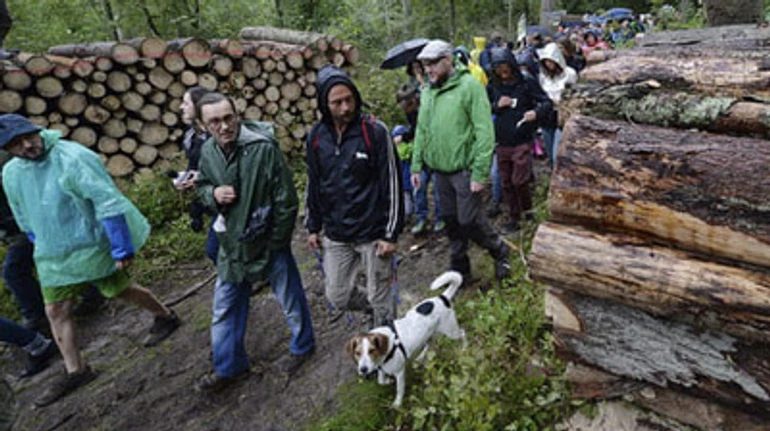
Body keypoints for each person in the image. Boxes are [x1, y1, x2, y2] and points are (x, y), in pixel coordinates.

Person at [0, 114, 181, 407]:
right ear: (7, 149)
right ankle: (76, 371)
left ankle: (165, 316)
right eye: (16, 144)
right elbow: (21, 210)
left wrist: (120, 245)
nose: (27, 145)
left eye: (28, 137)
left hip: (91, 244)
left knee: (119, 290)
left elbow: (106, 199)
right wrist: (35, 237)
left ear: (37, 131)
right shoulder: (12, 173)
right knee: (55, 309)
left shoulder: (72, 157)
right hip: (53, 253)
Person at [195, 92, 315, 391]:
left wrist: (276, 242)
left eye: (228, 118)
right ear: (202, 125)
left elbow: (286, 200)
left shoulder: (262, 148)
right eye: (215, 121)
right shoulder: (208, 151)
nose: (224, 126)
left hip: (267, 240)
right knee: (224, 307)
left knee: (289, 297)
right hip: (231, 245)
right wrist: (212, 194)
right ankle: (229, 366)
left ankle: (303, 346)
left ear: (238, 116)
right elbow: (202, 186)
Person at [305, 65, 404, 327]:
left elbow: (392, 182)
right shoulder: (316, 137)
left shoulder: (374, 131)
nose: (345, 108)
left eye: (349, 99)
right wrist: (313, 226)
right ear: (324, 104)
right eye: (337, 103)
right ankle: (372, 310)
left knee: (381, 297)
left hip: (373, 232)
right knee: (337, 295)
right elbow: (314, 182)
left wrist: (390, 234)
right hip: (337, 233)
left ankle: (387, 339)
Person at [410, 40, 510, 281]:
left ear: (448, 60)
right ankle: (460, 267)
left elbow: (485, 132)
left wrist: (480, 172)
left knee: (469, 220)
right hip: (439, 170)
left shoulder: (470, 87)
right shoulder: (429, 91)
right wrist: (416, 165)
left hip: (464, 169)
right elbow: (422, 129)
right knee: (451, 221)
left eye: (432, 63)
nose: (428, 69)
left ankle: (499, 251)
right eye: (425, 65)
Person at [487, 47, 553, 233]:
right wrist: (496, 105)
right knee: (506, 183)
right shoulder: (493, 86)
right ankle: (513, 218)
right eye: (498, 68)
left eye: (505, 67)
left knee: (519, 180)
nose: (502, 72)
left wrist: (535, 113)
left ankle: (528, 210)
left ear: (511, 65)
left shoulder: (526, 82)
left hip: (522, 140)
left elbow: (546, 102)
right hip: (502, 142)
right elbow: (484, 108)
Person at [177, 86, 219, 263]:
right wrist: (185, 178)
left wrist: (201, 178)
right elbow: (195, 165)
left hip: (228, 196)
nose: (181, 107)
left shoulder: (218, 133)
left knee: (214, 250)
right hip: (211, 198)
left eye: (186, 103)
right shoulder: (192, 135)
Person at [395, 84, 443, 235]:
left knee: (438, 189)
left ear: (413, 101)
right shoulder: (410, 113)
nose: (405, 110)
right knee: (418, 188)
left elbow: (422, 129)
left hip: (436, 152)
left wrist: (404, 137)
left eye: (406, 106)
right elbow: (415, 130)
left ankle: (441, 218)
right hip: (421, 155)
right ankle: (421, 218)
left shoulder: (428, 107)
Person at [537, 42, 577, 169]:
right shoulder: (543, 77)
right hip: (547, 117)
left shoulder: (569, 74)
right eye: (546, 61)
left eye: (551, 61)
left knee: (557, 153)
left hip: (562, 116)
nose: (549, 64)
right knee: (550, 152)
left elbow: (574, 95)